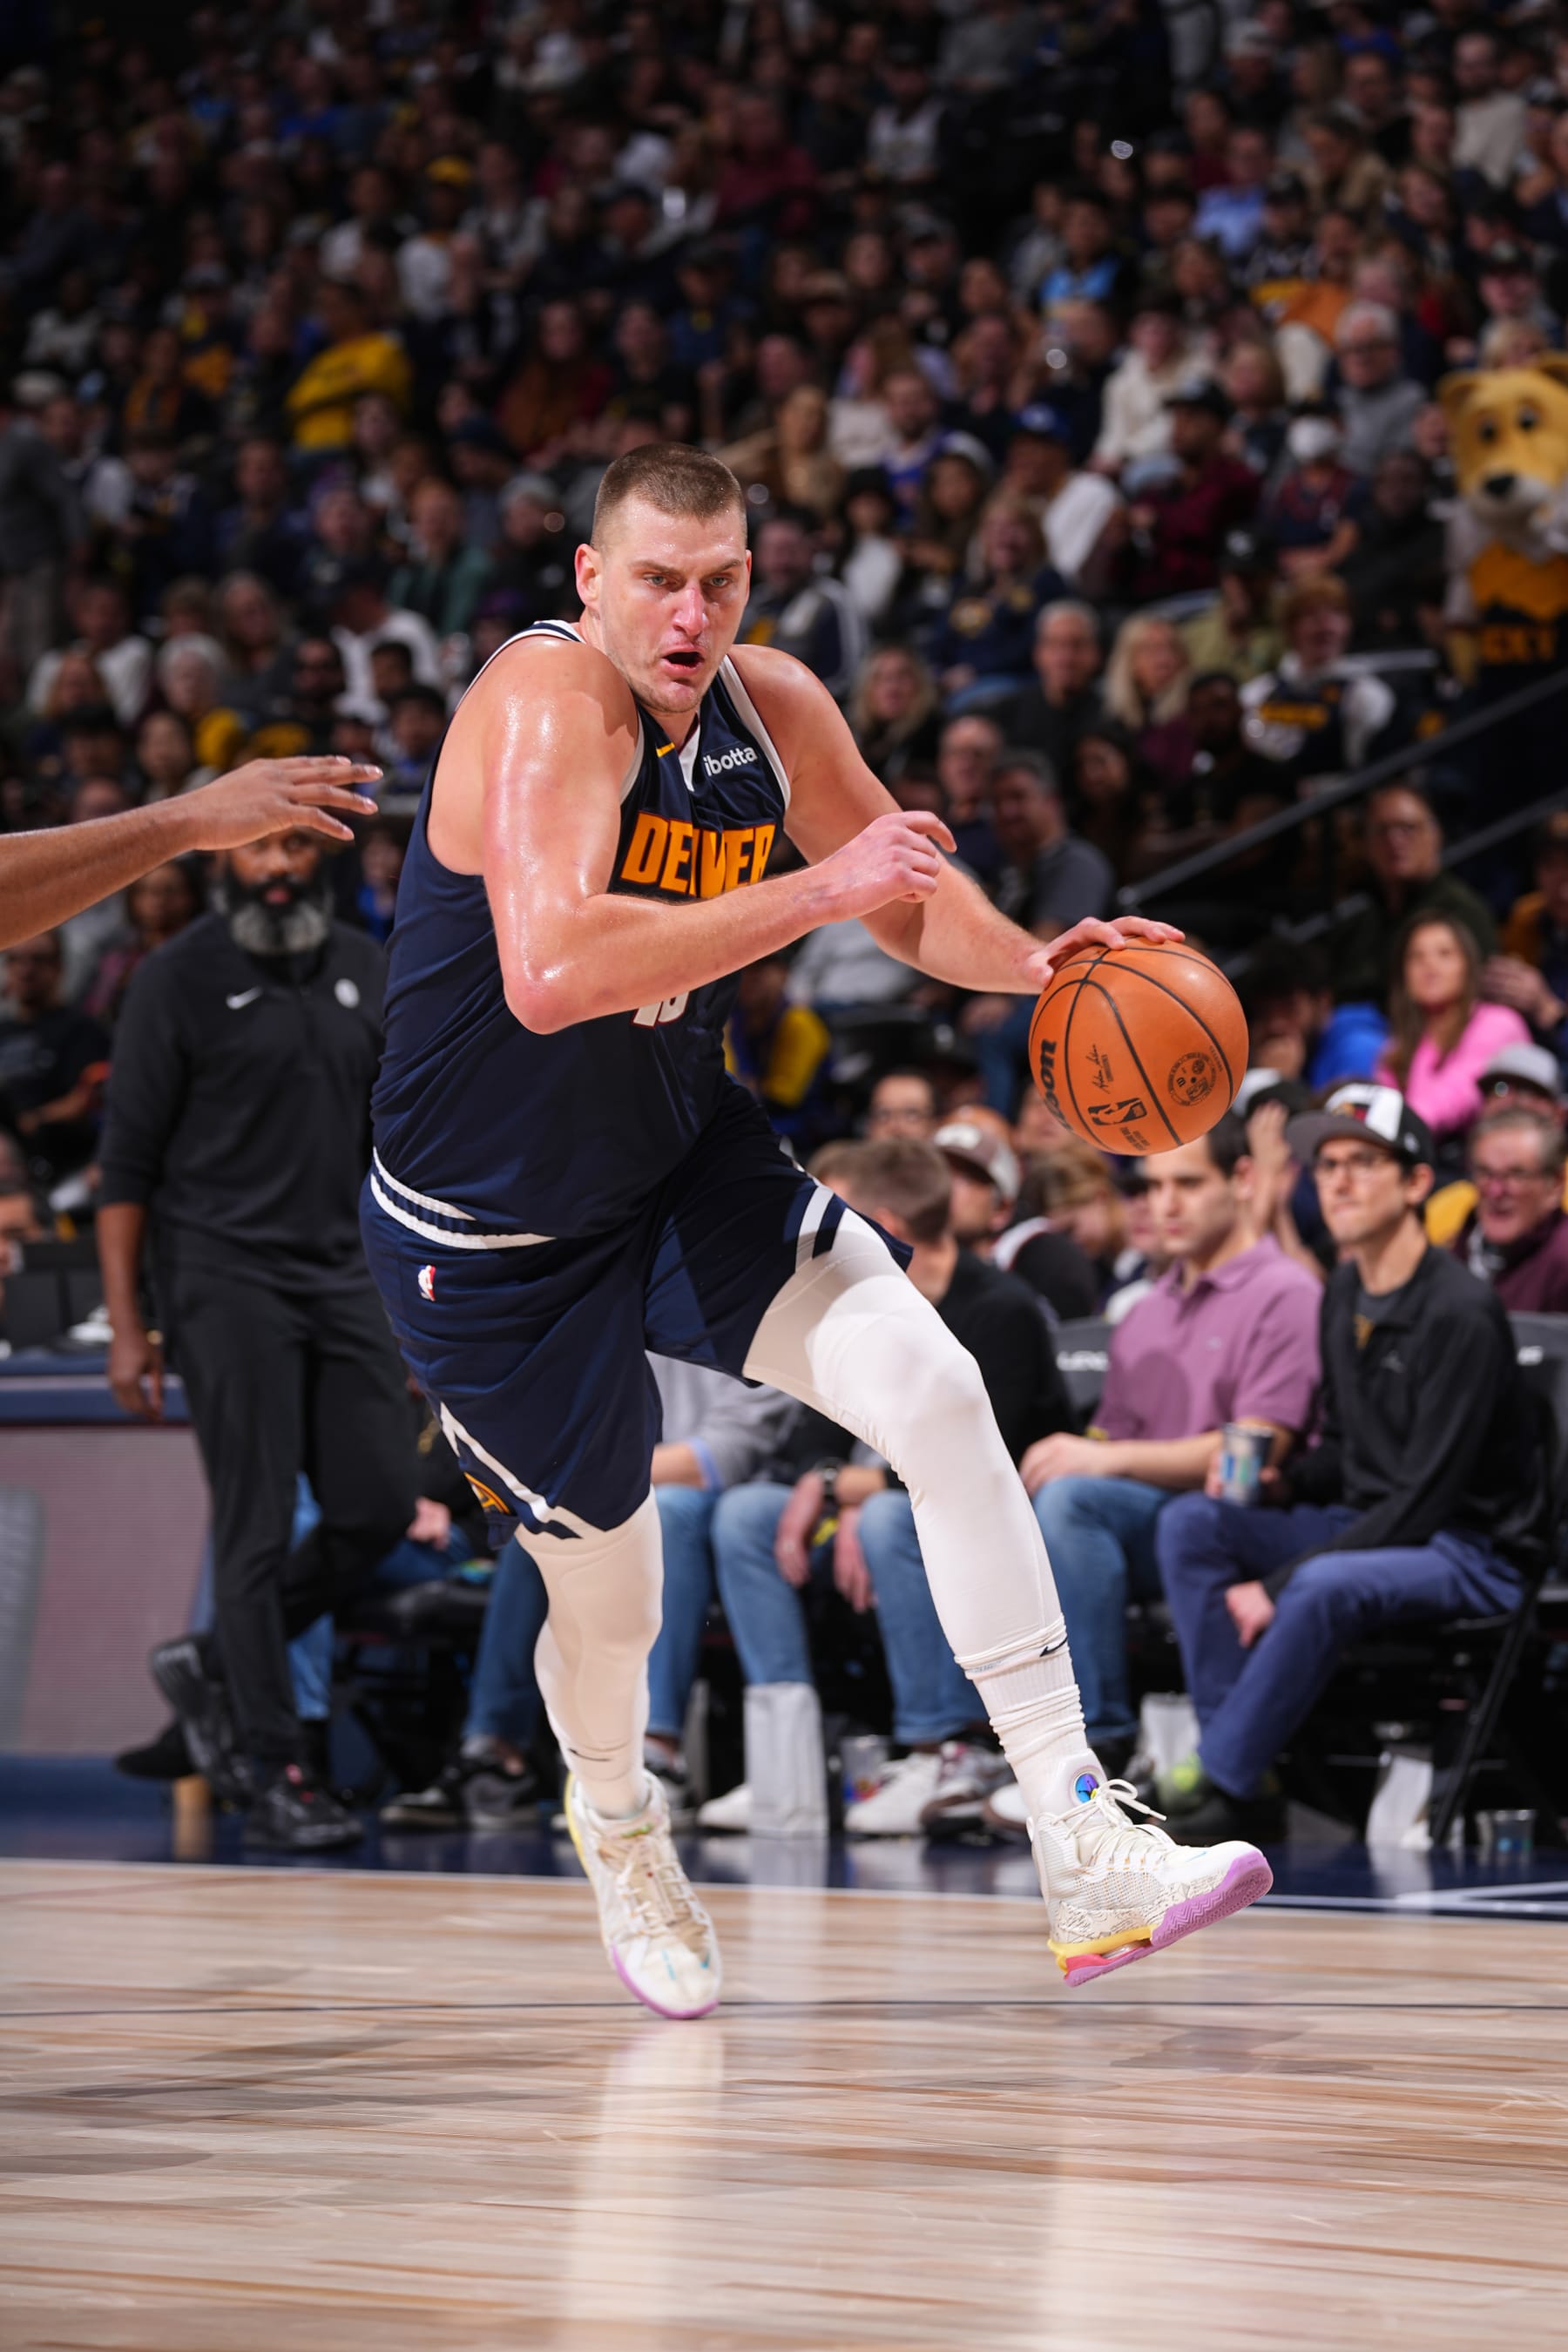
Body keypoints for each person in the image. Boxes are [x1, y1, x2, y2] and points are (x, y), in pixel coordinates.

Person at [360, 441, 1272, 2021]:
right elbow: (554, 968)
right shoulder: (541, 710)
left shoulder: (770, 709)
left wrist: (1048, 966)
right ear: (590, 580)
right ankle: (621, 1824)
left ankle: (1079, 1837)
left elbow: (905, 898)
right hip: (489, 1230)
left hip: (673, 1154)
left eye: (721, 582)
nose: (690, 614)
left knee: (933, 1389)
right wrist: (817, 889)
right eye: (657, 579)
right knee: (614, 1599)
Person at [97, 828, 416, 1853]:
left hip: (344, 1275)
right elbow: (124, 1168)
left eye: (293, 852)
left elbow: (401, 1151)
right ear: (222, 861)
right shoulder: (175, 978)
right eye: (257, 851)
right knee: (257, 1524)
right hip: (220, 1279)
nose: (277, 869)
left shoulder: (370, 971)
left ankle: (209, 1666)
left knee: (375, 1511)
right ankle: (275, 1770)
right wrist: (127, 1329)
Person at [1154, 1085, 1544, 1844]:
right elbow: (1348, 1453)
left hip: (1471, 1549)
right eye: (1328, 1165)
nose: (1337, 1182)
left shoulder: (1461, 1311)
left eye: (1363, 1164)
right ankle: (1245, 1768)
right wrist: (1285, 1482)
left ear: (1416, 1184)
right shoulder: (1342, 1294)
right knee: (1192, 1524)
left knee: (1323, 1581)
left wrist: (1277, 1583)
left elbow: (1428, 1499)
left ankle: (1215, 1776)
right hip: (1375, 1526)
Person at [703, 1138, 1073, 1839]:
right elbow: (810, 1437)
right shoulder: (844, 1300)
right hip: (871, 1500)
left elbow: (988, 1456)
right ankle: (785, 1766)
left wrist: (851, 1490)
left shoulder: (1001, 1308)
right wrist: (827, 1480)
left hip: (990, 1512)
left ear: (882, 1227)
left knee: (885, 1523)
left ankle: (944, 1751)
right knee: (746, 1514)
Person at [1021, 1114, 1322, 1775]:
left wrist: (1101, 1458)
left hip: (1246, 1517)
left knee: (1076, 1502)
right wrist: (1092, 1454)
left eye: (1187, 1183)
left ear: (1243, 1180)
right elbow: (1113, 1438)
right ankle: (996, 1744)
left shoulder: (1286, 1293)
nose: (1166, 1205)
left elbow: (1260, 1451)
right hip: (1151, 1517)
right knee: (1032, 1506)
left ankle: (1097, 1748)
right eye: (1154, 1187)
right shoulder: (1146, 1311)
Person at [1327, 784, 1497, 1009]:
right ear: (1366, 844)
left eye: (1408, 828)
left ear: (1436, 834)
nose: (1395, 840)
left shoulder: (1462, 911)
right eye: (1382, 830)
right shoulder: (1357, 922)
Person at [1375, 913, 1531, 1159]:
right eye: (1416, 957)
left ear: (1468, 966)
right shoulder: (1397, 1047)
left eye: (1445, 954)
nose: (1429, 966)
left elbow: (1459, 1092)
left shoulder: (1499, 1023)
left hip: (1500, 1165)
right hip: (1426, 1160)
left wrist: (1391, 1132)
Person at [0, 932, 110, 1182]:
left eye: (38, 959)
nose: (25, 970)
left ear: (58, 967)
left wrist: (34, 1120)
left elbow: (88, 1098)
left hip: (70, 1169)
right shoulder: (3, 1031)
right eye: (15, 959)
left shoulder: (82, 1029)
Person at [1449, 1105, 1568, 1311]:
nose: (1495, 1191)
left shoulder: (1562, 1263)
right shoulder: (1461, 1245)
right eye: (1485, 1172)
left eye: (1515, 1175)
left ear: (1556, 1184)